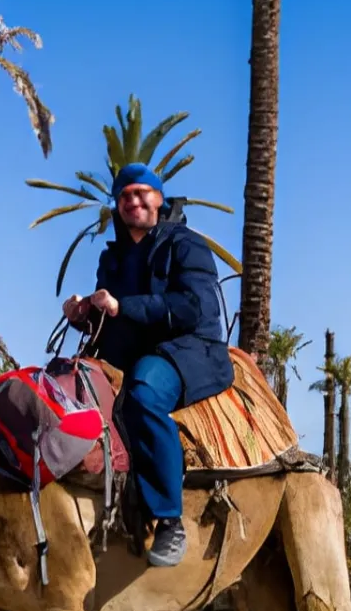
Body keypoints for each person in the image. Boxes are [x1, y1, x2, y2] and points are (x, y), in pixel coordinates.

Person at [63, 162, 232, 567]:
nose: (133, 201)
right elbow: (113, 327)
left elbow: (191, 309)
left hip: (190, 350)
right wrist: (86, 315)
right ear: (117, 206)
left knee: (143, 395)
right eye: (125, 196)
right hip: (138, 353)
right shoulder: (113, 260)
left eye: (141, 193)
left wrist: (123, 306)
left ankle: (170, 522)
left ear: (158, 199)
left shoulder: (187, 245)